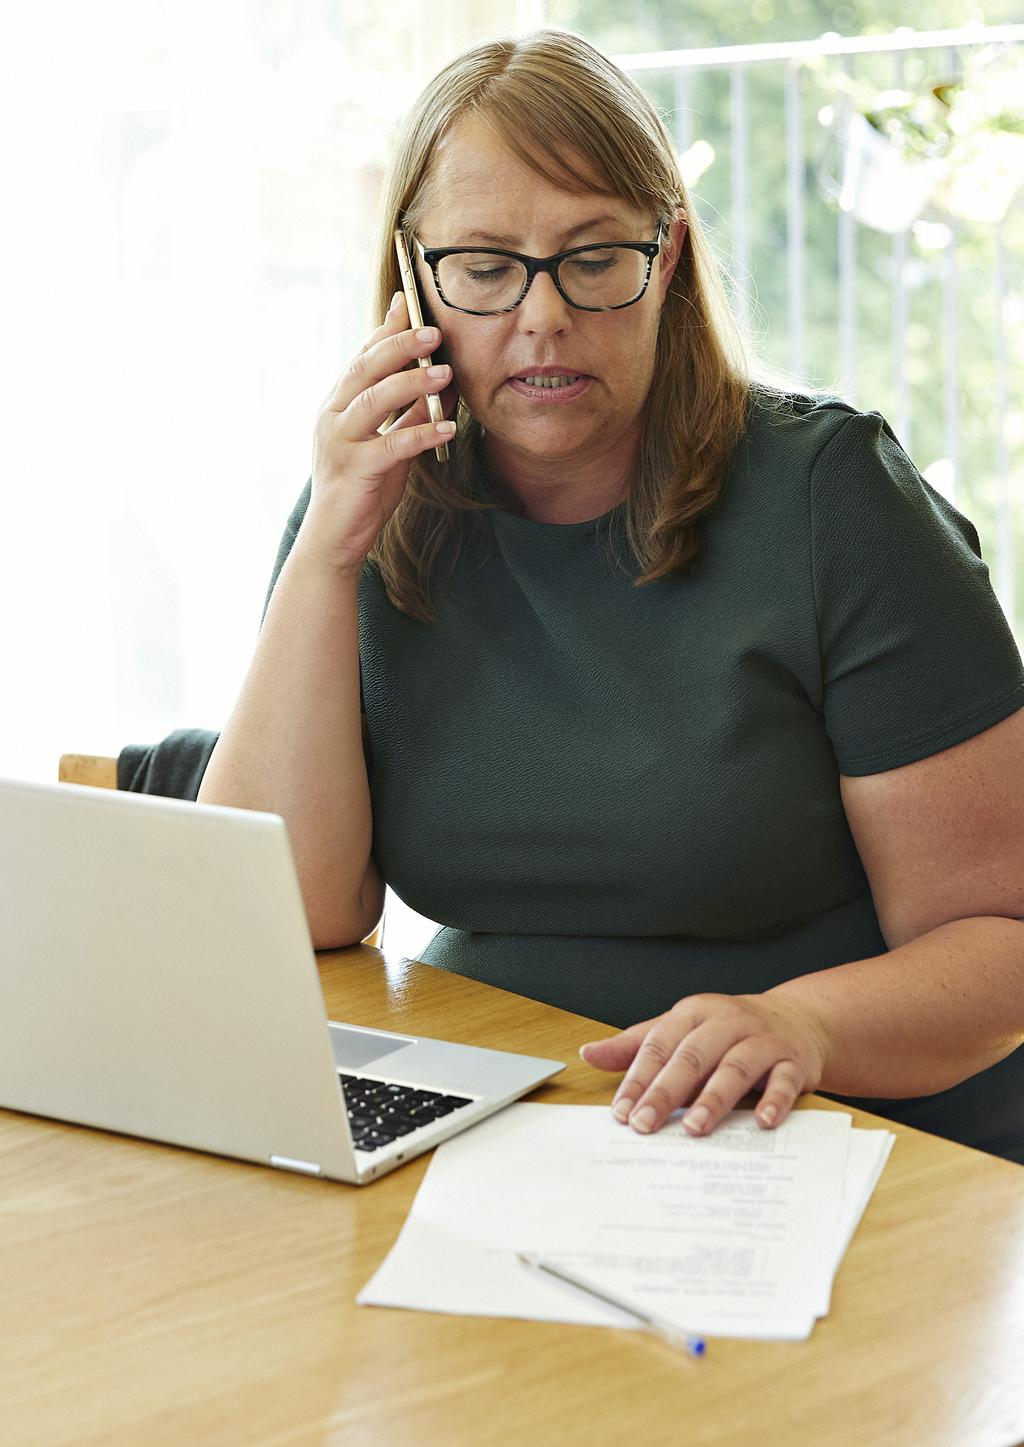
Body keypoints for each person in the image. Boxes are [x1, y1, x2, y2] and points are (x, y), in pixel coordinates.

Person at [194, 28, 1024, 1162]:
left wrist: (799, 1025)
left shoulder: (832, 498)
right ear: (411, 273)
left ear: (668, 257)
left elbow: (999, 941)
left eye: (592, 258)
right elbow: (297, 914)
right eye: (483, 266)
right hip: (506, 1111)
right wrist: (328, 551)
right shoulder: (370, 500)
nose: (540, 318)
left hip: (834, 1128)